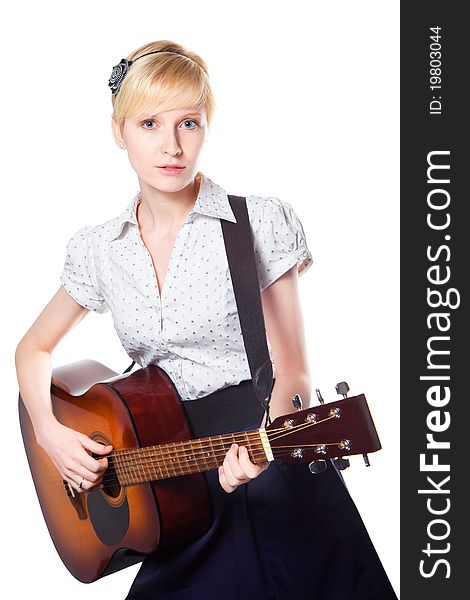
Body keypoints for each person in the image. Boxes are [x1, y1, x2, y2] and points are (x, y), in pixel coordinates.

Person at [15, 40, 397, 599]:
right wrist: (52, 436)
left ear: (206, 127)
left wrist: (264, 448)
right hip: (168, 492)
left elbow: (292, 371)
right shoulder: (100, 250)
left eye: (188, 123)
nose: (171, 145)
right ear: (119, 131)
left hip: (267, 462)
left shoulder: (256, 222)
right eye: (149, 123)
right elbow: (32, 350)